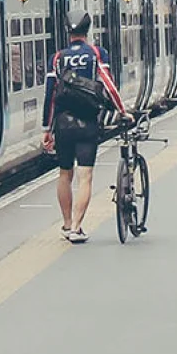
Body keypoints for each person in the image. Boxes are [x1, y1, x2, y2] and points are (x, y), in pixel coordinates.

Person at [43, 16, 126, 243]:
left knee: (64, 174)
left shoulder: (57, 58)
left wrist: (46, 129)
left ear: (67, 32)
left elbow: (50, 94)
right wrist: (122, 110)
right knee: (85, 176)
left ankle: (66, 223)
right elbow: (108, 84)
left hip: (62, 124)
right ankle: (77, 228)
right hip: (88, 122)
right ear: (87, 30)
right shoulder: (97, 54)